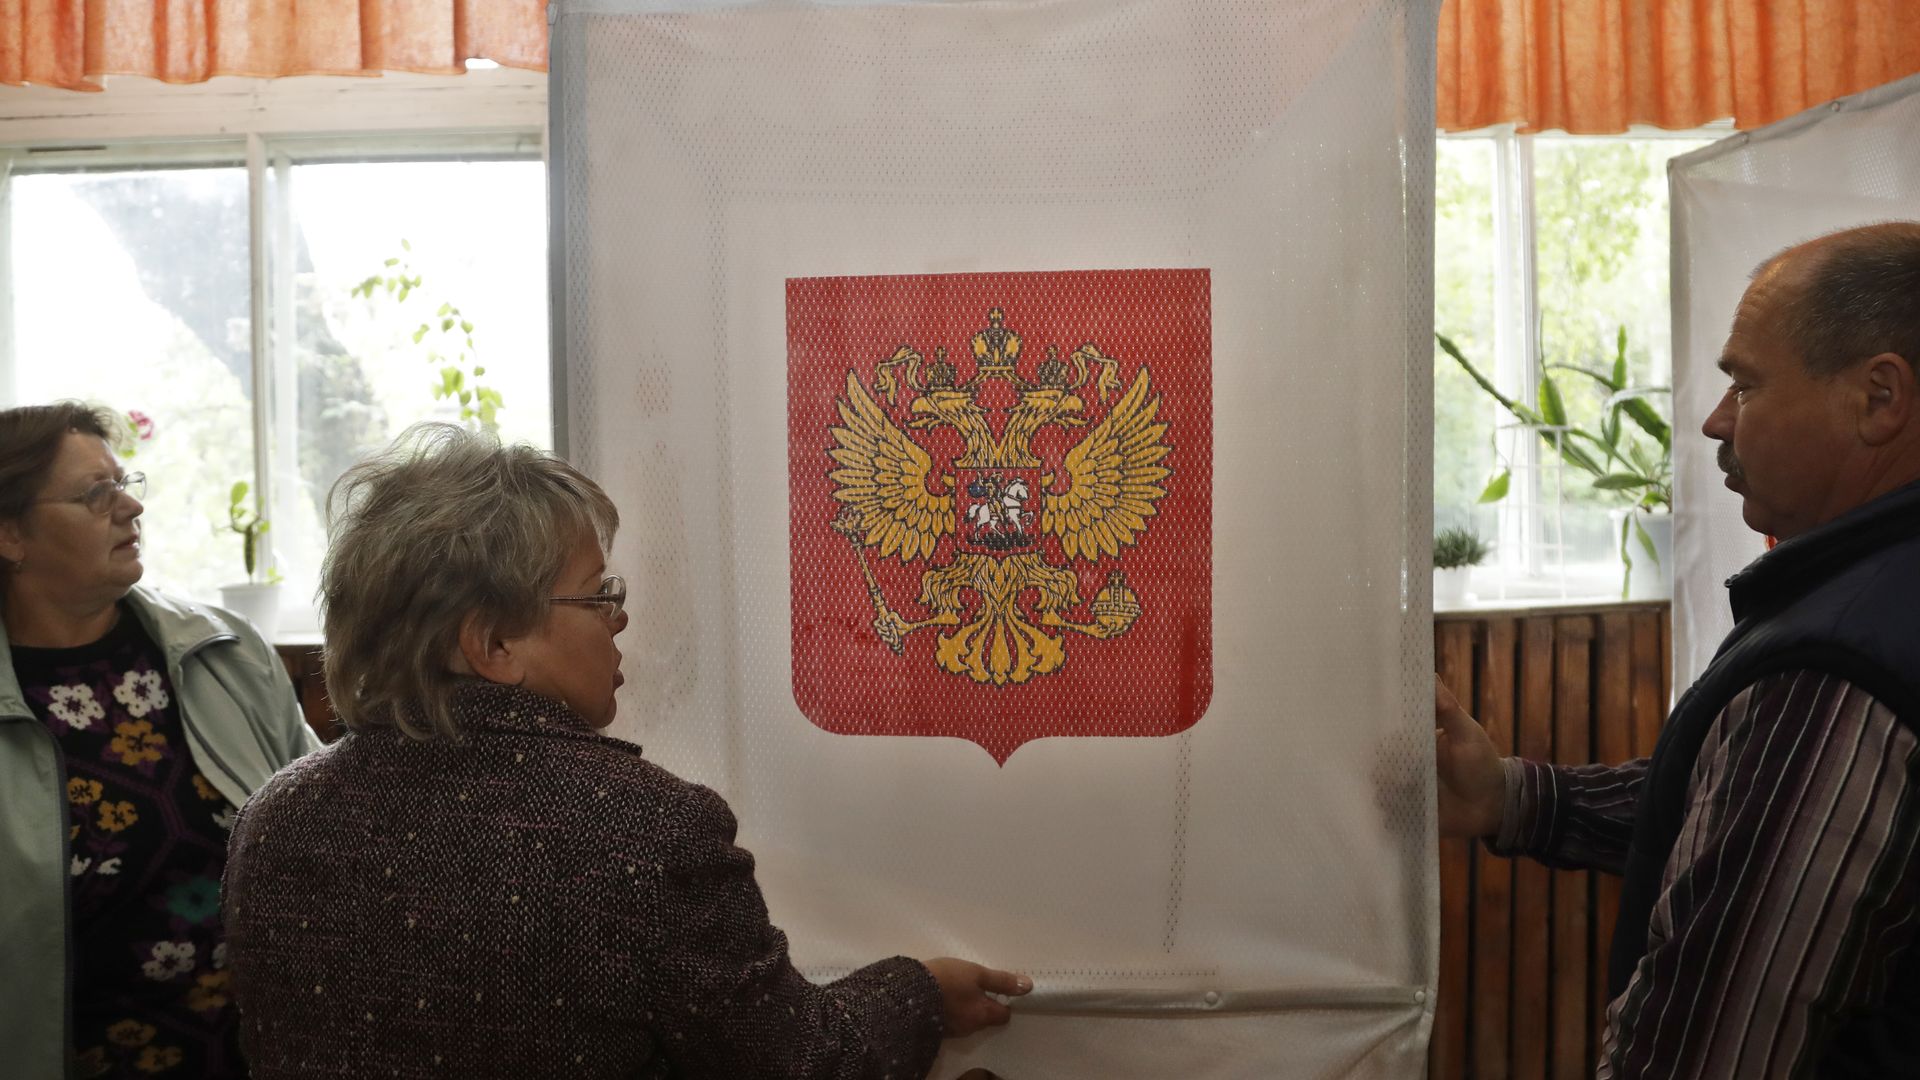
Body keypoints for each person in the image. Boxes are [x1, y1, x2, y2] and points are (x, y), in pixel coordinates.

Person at [222, 423, 1031, 1078]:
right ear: (494, 643)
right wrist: (918, 991)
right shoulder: (645, 831)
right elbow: (800, 1063)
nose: (621, 620)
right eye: (598, 595)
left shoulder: (274, 816)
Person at [1437, 221, 1920, 1077]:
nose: (1713, 420)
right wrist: (1509, 797)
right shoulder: (1866, 604)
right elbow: (1746, 814)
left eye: (1746, 384)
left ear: (1879, 399)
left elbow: (1703, 1052)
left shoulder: (1839, 668)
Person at [0, 402, 321, 1079]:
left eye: (124, 483)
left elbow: (325, 827)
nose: (129, 508)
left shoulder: (225, 653)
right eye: (95, 494)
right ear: (10, 535)